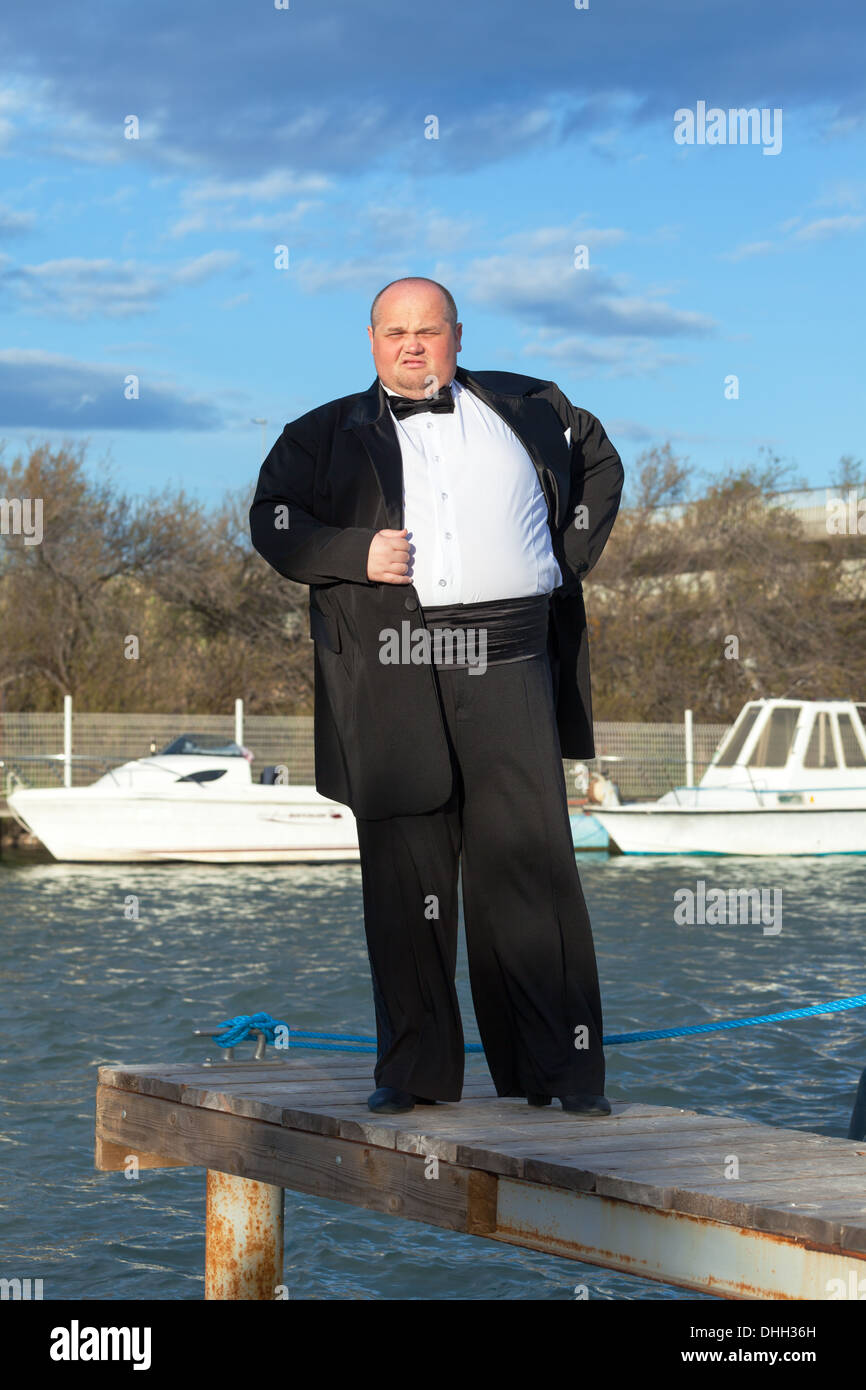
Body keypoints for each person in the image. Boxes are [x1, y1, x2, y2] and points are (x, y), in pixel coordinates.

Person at [249, 277, 623, 1116]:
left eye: (428, 330)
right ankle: (413, 1074)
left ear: (457, 334)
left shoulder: (534, 403)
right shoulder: (318, 434)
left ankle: (558, 1075)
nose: (412, 345)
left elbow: (600, 460)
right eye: (395, 332)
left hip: (512, 648)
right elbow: (271, 520)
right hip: (393, 654)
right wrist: (352, 550)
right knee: (405, 869)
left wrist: (566, 553)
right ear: (372, 340)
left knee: (529, 864)